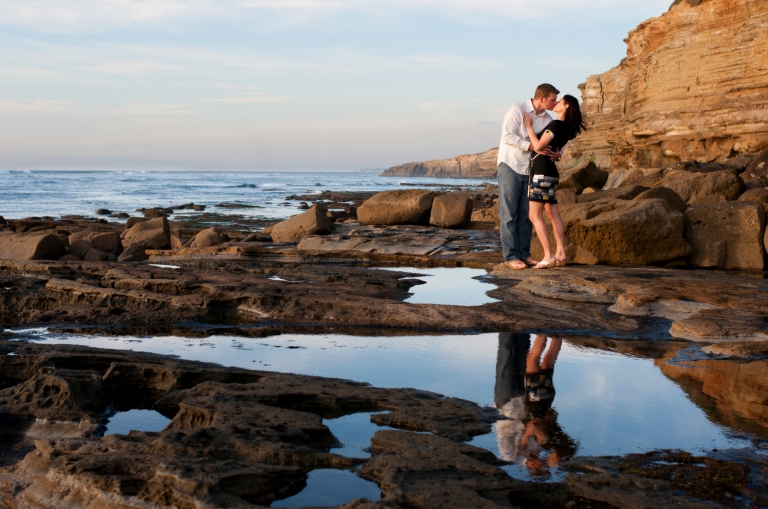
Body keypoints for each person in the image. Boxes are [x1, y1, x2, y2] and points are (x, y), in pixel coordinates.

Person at [494, 333, 576, 479]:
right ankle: (524, 328)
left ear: (533, 469)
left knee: (506, 357)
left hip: (507, 405)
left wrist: (527, 431)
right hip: (526, 398)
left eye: (543, 467)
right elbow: (540, 421)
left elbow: (505, 431)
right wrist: (540, 422)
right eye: (546, 467)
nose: (544, 464)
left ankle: (507, 328)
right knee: (524, 357)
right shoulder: (538, 446)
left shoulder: (511, 457)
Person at [497, 84, 560, 271]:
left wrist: (558, 154)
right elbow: (507, 136)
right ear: (541, 98)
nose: (555, 103)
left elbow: (555, 143)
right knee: (509, 214)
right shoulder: (517, 110)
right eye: (552, 100)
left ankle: (524, 254)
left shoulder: (548, 119)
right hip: (510, 165)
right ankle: (511, 256)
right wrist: (532, 146)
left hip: (532, 170)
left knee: (526, 215)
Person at [522, 94, 587, 269]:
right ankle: (560, 253)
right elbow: (556, 148)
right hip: (549, 172)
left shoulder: (557, 124)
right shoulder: (567, 128)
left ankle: (549, 256)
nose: (557, 103)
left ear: (566, 107)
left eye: (560, 101)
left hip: (541, 172)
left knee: (534, 215)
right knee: (553, 214)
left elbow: (539, 146)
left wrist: (529, 127)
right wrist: (557, 155)